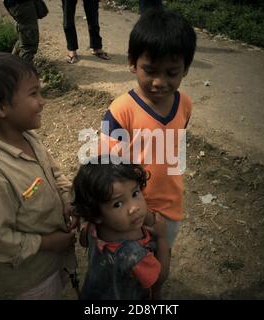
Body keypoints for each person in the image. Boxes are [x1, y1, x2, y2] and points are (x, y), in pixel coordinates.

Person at [0, 52, 78, 299]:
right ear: (0, 107)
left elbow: (53, 171)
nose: (42, 101)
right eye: (33, 93)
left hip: (58, 261)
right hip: (32, 279)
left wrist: (67, 199)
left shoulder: (27, 137)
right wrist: (48, 243)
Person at [99, 8, 197, 289]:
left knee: (157, 268)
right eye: (150, 70)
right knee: (129, 274)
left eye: (171, 72)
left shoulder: (185, 105)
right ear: (132, 63)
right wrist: (141, 213)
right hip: (131, 213)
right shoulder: (121, 111)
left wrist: (162, 217)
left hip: (170, 208)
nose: (159, 82)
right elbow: (108, 169)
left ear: (186, 69)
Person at [72, 156, 169, 299]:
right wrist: (162, 238)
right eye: (118, 204)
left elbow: (83, 241)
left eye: (135, 193)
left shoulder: (93, 227)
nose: (134, 208)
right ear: (97, 214)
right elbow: (159, 278)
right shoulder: (135, 255)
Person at [3, 0, 42, 64]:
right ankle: (23, 71)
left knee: (22, 40)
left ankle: (9, 65)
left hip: (13, 5)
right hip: (22, 5)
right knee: (28, 47)